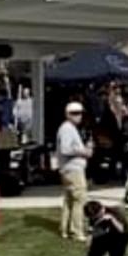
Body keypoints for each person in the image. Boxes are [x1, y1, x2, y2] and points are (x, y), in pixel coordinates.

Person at [57, 102, 93, 241]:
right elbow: (66, 149)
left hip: (68, 169)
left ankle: (65, 229)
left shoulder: (69, 128)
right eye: (75, 113)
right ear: (67, 114)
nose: (79, 116)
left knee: (70, 200)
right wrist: (84, 152)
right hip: (72, 169)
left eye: (80, 113)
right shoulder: (67, 128)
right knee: (80, 199)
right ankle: (76, 231)